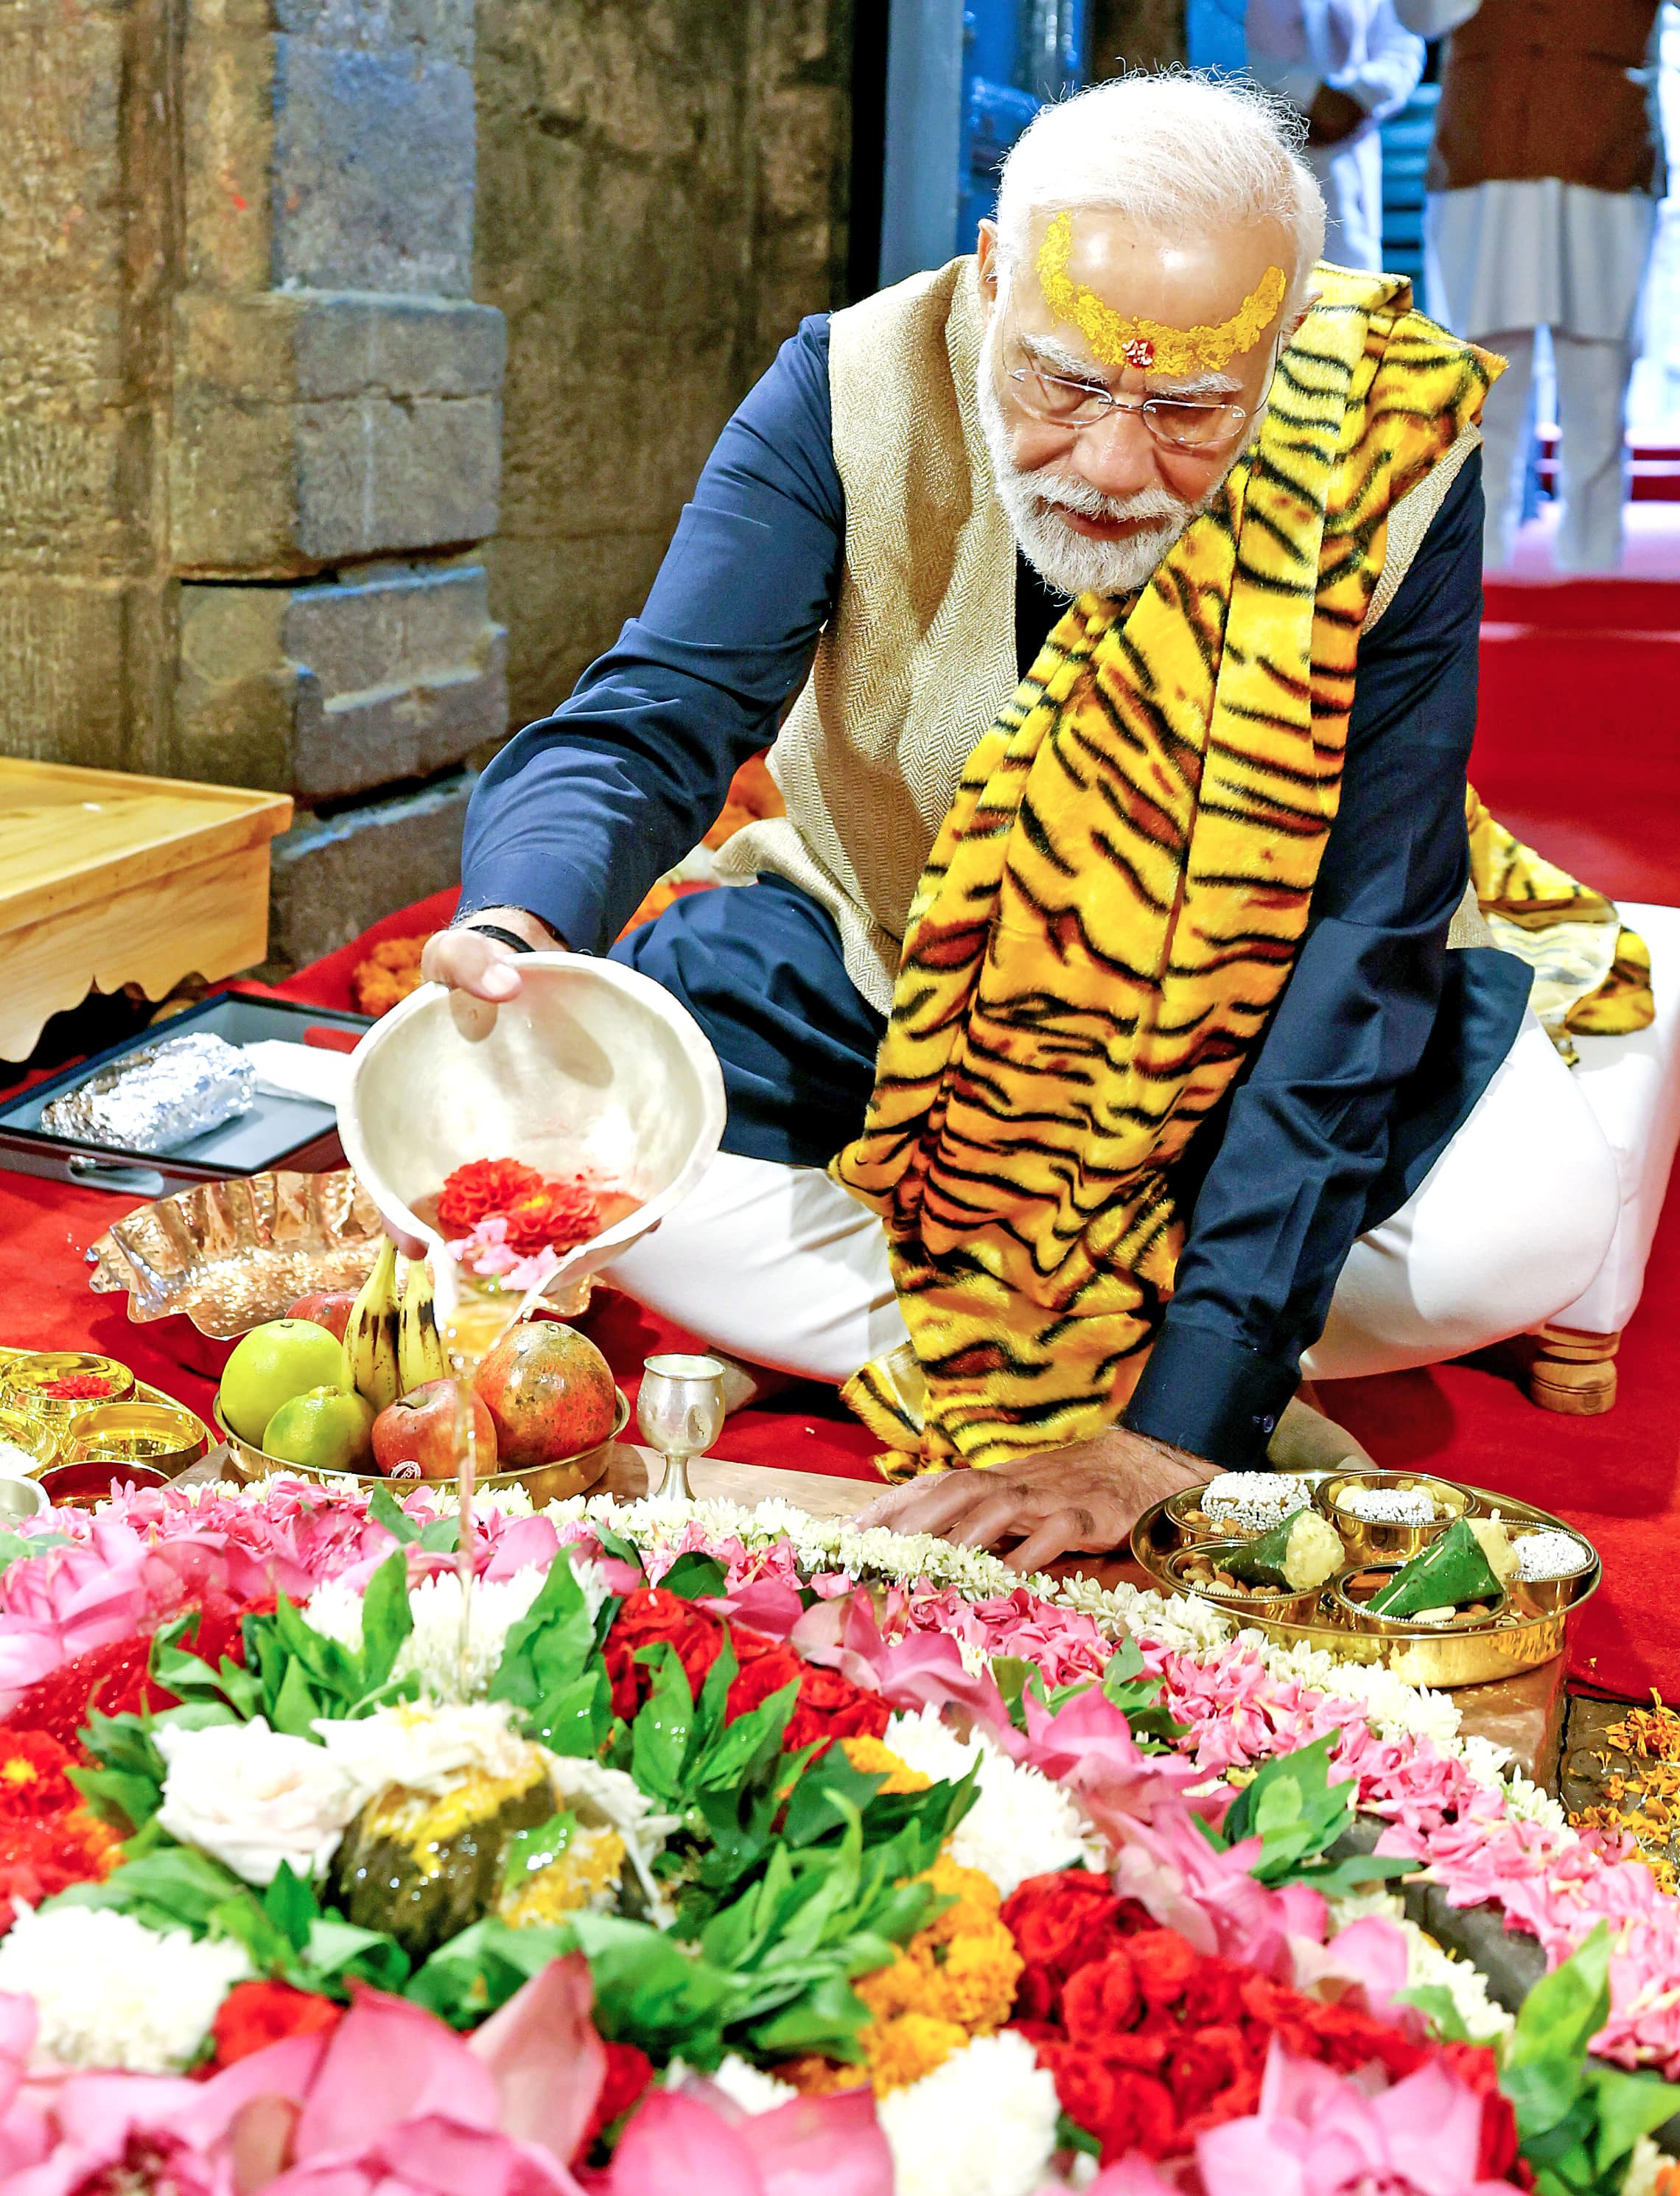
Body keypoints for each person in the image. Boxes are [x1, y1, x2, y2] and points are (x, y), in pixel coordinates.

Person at [427, 75, 1617, 1571]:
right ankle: (1161, 1350)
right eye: (1064, 383)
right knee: (578, 1125)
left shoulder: (1383, 447)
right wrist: (518, 918)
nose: (1115, 468)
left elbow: (1365, 926)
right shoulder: (848, 386)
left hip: (1233, 1029)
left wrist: (1176, 1432)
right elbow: (657, 714)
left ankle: (1082, 1360)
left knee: (1523, 1232)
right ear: (993, 272)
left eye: (1191, 408)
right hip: (890, 959)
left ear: (1282, 335)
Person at [1394, 0, 1665, 573]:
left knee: (1598, 380)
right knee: (1485, 386)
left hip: (1606, 160)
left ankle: (1595, 576)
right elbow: (1419, 16)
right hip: (1484, 161)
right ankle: (1478, 578)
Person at [1244, 0, 1426, 270]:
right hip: (1250, 156)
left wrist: (1360, 96)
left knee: (1349, 289)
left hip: (1346, 160)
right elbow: (1211, 35)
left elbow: (1402, 38)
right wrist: (1306, 93)